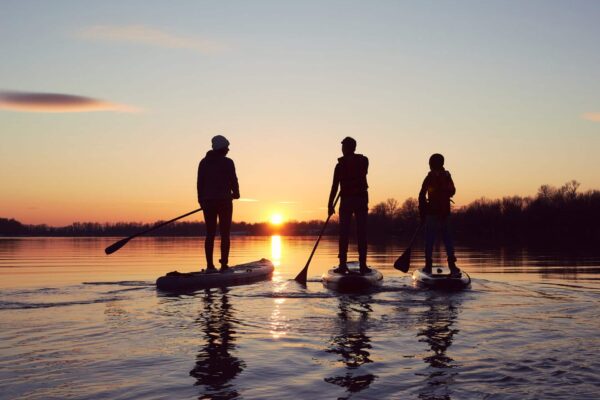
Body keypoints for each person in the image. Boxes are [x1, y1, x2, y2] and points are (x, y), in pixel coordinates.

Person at [197, 135, 240, 273]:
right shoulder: (228, 162)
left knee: (210, 234)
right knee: (225, 234)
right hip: (224, 202)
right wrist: (236, 193)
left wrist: (201, 201)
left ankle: (210, 266)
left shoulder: (203, 163)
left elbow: (199, 184)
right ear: (222, 148)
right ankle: (224, 265)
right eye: (226, 148)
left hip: (207, 202)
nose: (228, 150)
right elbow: (234, 180)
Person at [328, 137, 371, 275]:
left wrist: (330, 204)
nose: (342, 148)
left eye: (343, 146)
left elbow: (335, 186)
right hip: (357, 200)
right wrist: (330, 203)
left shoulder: (342, 165)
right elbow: (335, 185)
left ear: (347, 148)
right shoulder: (362, 161)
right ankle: (360, 265)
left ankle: (344, 265)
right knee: (360, 232)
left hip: (351, 200)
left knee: (345, 233)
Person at [418, 153, 460, 276]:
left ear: (432, 164)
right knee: (448, 239)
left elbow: (421, 194)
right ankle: (452, 265)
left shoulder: (429, 177)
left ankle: (428, 265)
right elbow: (453, 191)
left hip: (432, 213)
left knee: (429, 239)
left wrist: (422, 211)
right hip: (445, 213)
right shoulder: (447, 176)